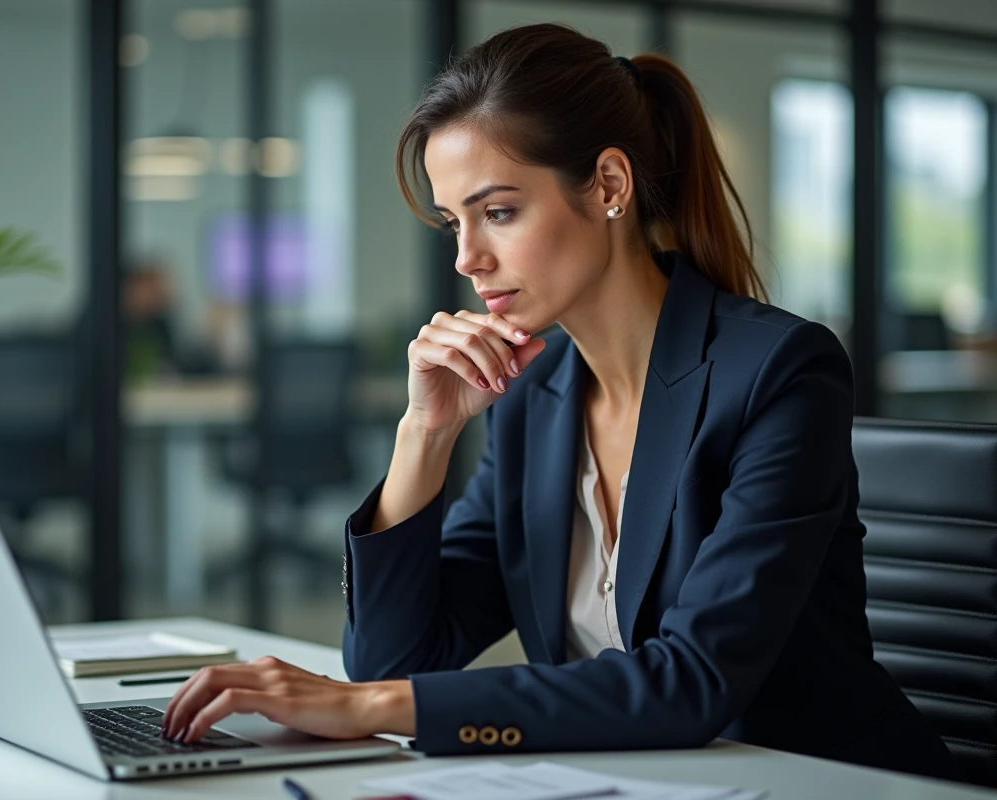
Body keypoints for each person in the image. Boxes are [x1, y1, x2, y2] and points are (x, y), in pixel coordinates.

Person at [160, 23, 959, 781]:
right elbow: (396, 659)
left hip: (816, 782)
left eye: (499, 212)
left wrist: (365, 706)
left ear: (609, 184)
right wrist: (423, 436)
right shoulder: (534, 394)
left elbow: (692, 682)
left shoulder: (777, 371)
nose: (469, 258)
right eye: (455, 223)